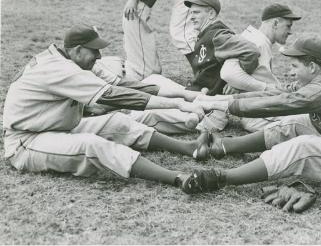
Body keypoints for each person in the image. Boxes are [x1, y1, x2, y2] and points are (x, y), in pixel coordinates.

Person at [181, 36, 321, 194]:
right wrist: (219, 100)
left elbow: (281, 103)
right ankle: (225, 147)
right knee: (297, 123)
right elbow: (280, 92)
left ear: (312, 66)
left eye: (295, 66)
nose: (291, 71)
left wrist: (228, 108)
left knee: (303, 147)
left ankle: (221, 178)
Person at [2, 23, 214, 185]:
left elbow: (124, 85)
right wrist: (177, 106)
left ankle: (189, 147)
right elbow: (113, 95)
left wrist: (183, 95)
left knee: (119, 122)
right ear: (76, 50)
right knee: (91, 145)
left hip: (54, 124)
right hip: (26, 141)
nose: (99, 55)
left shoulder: (73, 60)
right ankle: (177, 178)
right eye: (93, 50)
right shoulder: (60, 69)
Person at [183, 0, 261, 131]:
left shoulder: (218, 35)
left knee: (151, 114)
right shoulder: (206, 34)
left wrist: (237, 82)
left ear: (211, 14)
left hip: (209, 105)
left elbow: (251, 51)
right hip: (197, 97)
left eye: (196, 12)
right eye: (190, 13)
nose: (191, 17)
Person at [220, 3, 301, 132]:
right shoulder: (257, 41)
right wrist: (264, 87)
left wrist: (238, 84)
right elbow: (228, 74)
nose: (290, 31)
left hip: (261, 107)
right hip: (259, 114)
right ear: (275, 23)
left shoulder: (256, 38)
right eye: (288, 26)